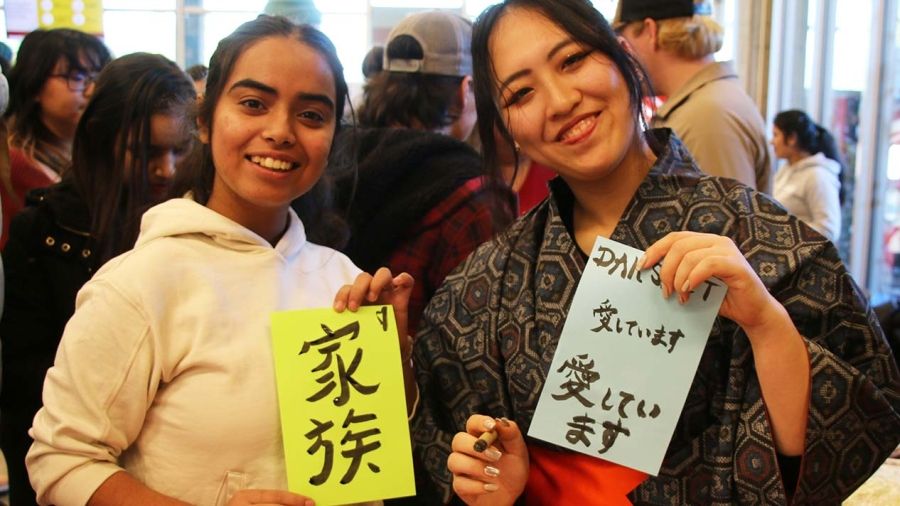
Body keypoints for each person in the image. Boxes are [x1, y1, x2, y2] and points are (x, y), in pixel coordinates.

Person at [410, 1, 900, 504]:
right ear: (504, 125)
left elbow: (839, 443)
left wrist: (766, 325)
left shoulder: (759, 235)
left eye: (572, 60)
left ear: (624, 57)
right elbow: (442, 437)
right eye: (521, 93)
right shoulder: (487, 282)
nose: (559, 100)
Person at [25, 16, 413, 505]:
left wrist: (395, 360)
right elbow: (61, 459)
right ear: (205, 121)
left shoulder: (343, 278)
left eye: (312, 114)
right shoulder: (141, 283)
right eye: (253, 104)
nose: (281, 131)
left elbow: (369, 453)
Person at [0, 52, 196, 506]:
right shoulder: (46, 231)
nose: (166, 169)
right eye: (146, 153)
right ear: (103, 140)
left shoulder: (207, 220)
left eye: (180, 150)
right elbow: (25, 390)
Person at [337, 10, 514, 334]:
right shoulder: (473, 196)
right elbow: (490, 329)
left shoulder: (335, 159)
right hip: (419, 366)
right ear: (465, 89)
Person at [613, 0, 773, 193]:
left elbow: (723, 212)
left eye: (622, 37)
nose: (621, 53)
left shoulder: (706, 116)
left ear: (650, 31)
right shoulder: (708, 104)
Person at [1, 28, 111, 247]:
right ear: (35, 84)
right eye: (77, 77)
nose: (91, 90)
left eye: (96, 77)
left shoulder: (97, 154)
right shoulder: (15, 164)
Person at [771, 109, 844, 242]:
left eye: (776, 135)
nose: (772, 142)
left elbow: (829, 230)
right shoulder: (786, 169)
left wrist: (784, 232)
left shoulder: (818, 176)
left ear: (792, 138)